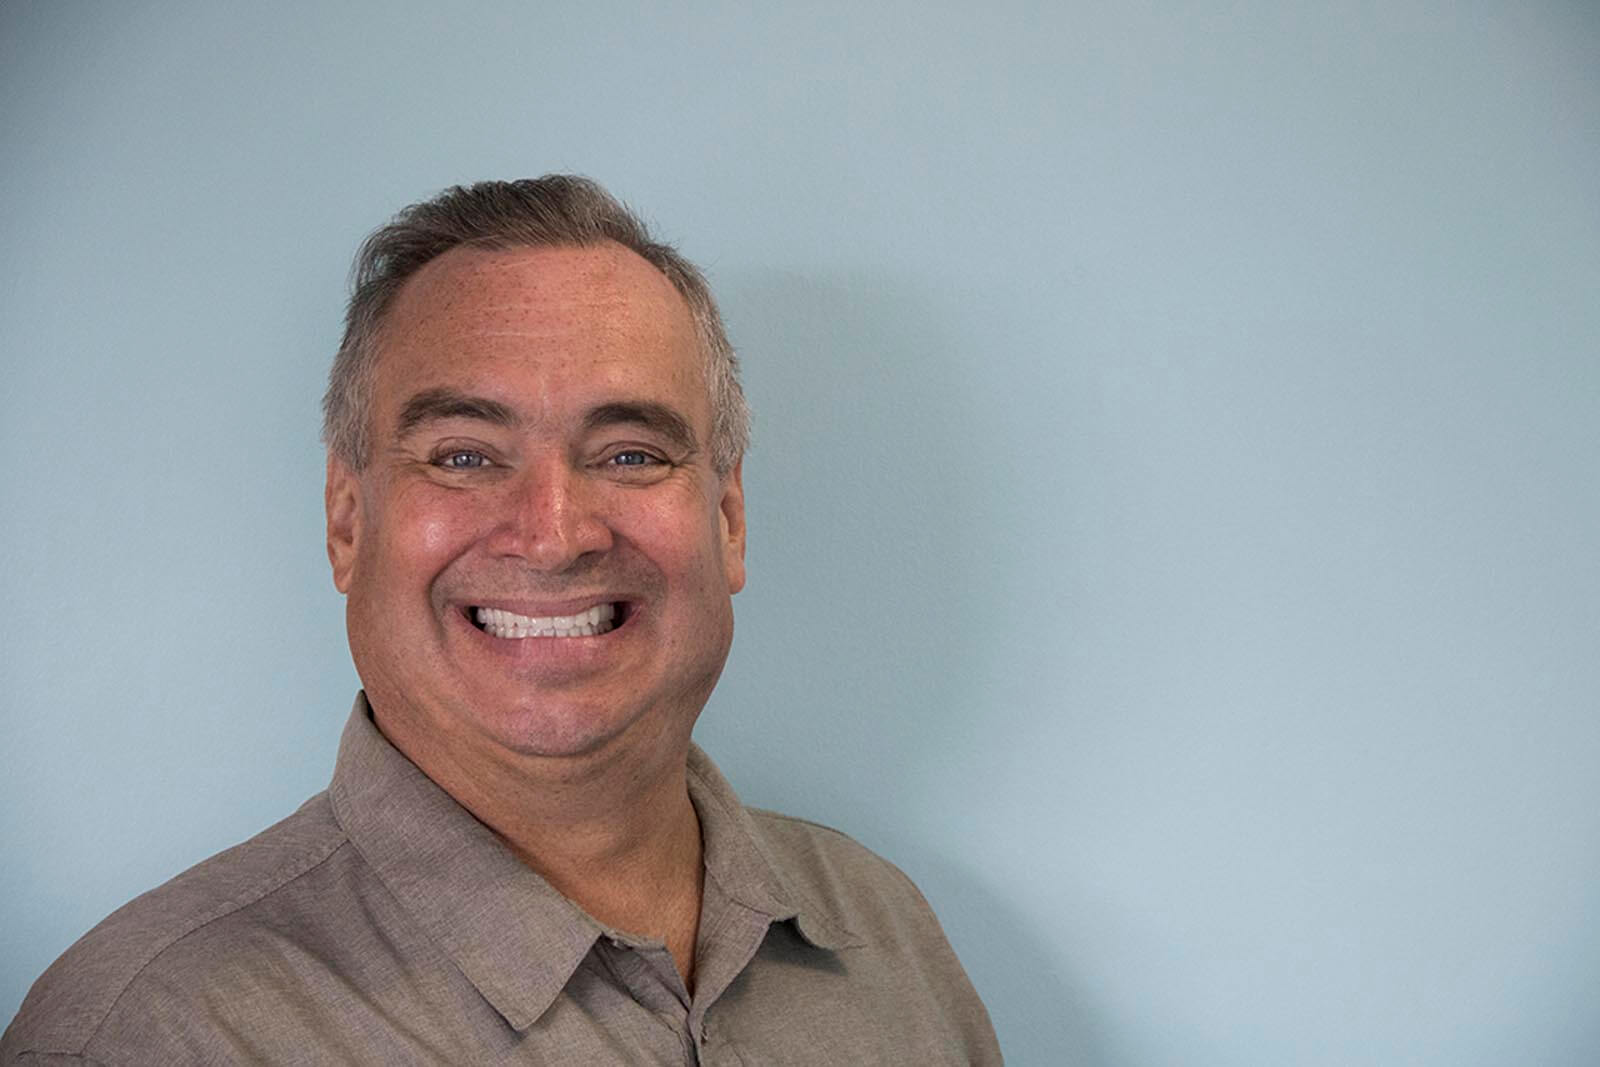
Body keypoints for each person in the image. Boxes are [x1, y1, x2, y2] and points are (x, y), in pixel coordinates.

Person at [2, 177, 1001, 1064]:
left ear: (728, 519)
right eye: (465, 454)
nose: (556, 533)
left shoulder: (888, 937)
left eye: (629, 453)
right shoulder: (150, 1034)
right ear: (348, 522)